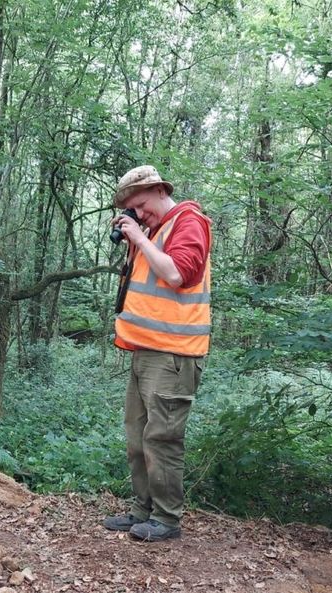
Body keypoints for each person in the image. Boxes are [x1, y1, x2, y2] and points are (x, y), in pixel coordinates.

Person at [103, 165, 212, 542]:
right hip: (144, 350)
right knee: (137, 437)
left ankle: (167, 519)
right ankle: (141, 510)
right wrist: (137, 234)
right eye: (132, 210)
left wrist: (140, 236)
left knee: (161, 438)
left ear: (159, 190)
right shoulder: (153, 231)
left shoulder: (189, 222)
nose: (140, 214)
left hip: (173, 353)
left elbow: (178, 274)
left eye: (142, 206)